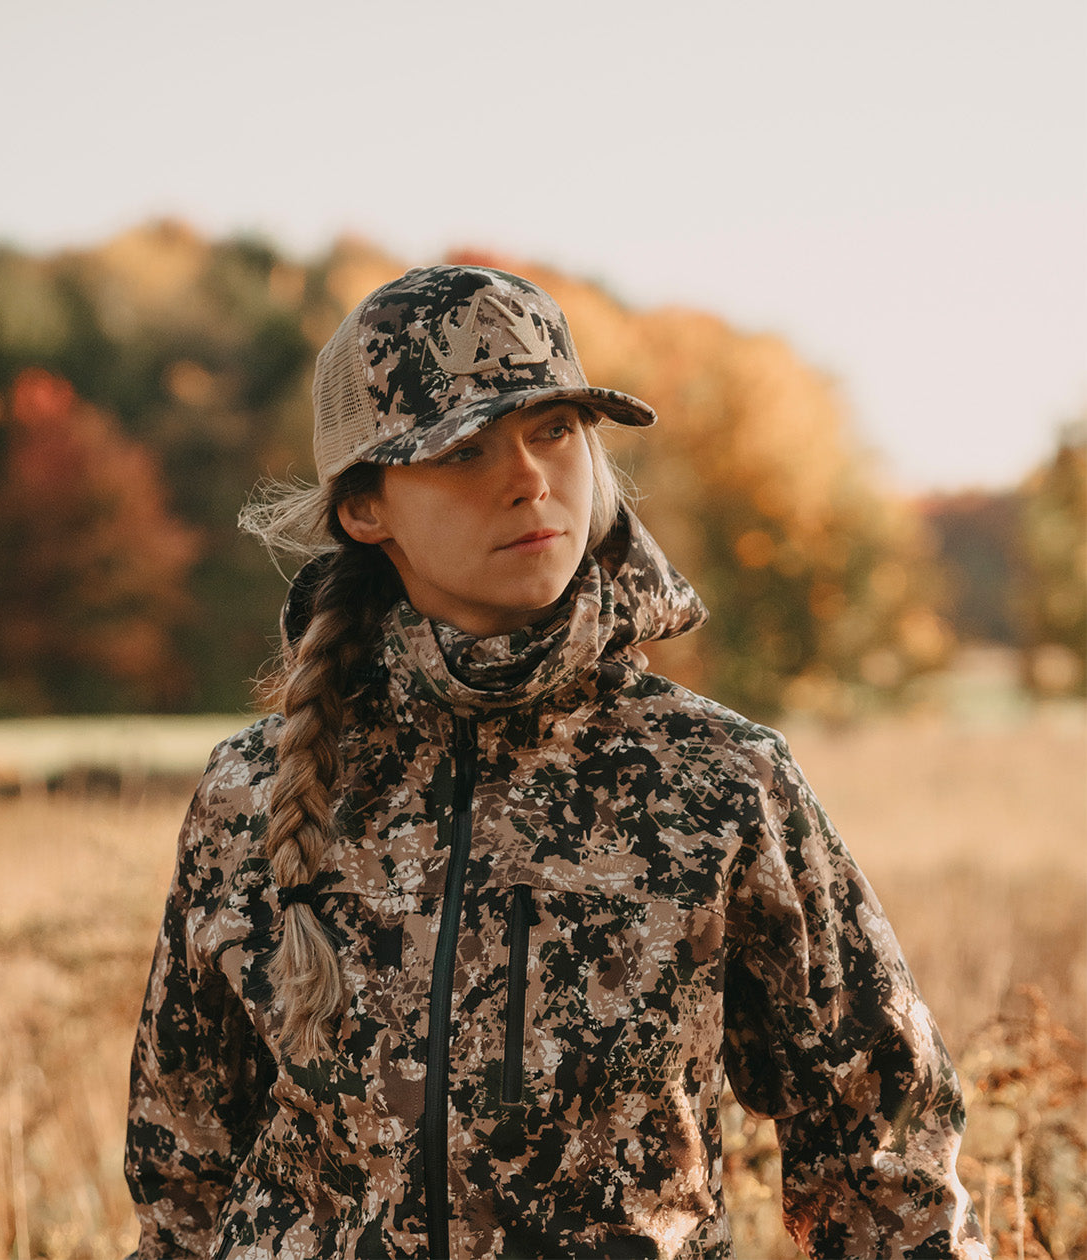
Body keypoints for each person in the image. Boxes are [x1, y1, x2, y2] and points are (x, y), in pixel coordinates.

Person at [124, 264, 988, 1260]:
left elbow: (884, 1156)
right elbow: (183, 1176)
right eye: (463, 450)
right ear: (365, 508)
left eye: (555, 430)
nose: (529, 479)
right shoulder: (249, 793)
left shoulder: (717, 780)